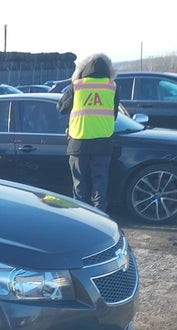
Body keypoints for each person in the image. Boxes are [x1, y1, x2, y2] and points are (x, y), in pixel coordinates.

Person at [57, 53, 119, 212]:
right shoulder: (111, 86)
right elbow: (114, 114)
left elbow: (61, 108)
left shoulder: (78, 85)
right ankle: (101, 219)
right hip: (103, 144)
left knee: (80, 188)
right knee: (100, 187)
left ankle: (82, 220)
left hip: (79, 143)